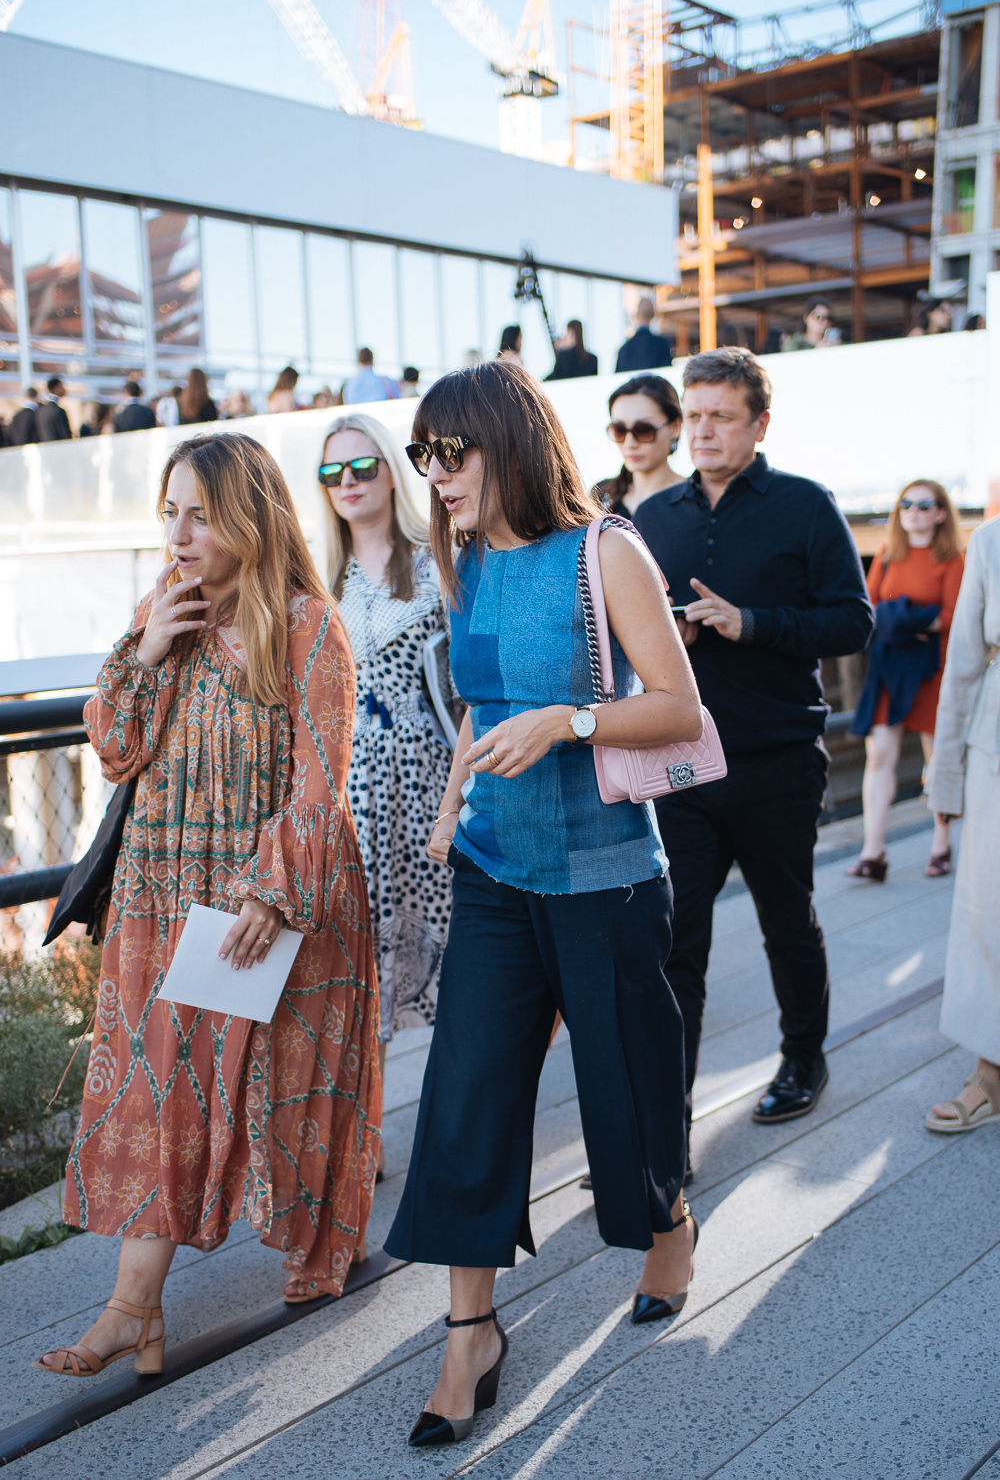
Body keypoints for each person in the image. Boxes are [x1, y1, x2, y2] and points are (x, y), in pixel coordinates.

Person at [383, 362, 702, 1448]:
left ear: (506, 441)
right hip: (489, 868)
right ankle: (468, 1331)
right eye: (422, 456)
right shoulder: (462, 561)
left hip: (603, 873)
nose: (433, 475)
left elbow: (674, 706)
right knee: (466, 1096)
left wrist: (568, 722)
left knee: (625, 1094)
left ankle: (666, 1220)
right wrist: (447, 800)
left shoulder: (604, 550)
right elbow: (478, 700)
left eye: (447, 452)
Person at [36, 431, 380, 1378]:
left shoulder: (309, 626)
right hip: (158, 898)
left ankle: (322, 1249)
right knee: (157, 1095)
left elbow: (322, 782)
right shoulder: (165, 611)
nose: (179, 534)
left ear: (250, 516)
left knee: (281, 1090)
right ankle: (128, 1312)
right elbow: (113, 747)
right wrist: (147, 649)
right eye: (170, 513)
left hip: (266, 898)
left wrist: (272, 890)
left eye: (200, 513)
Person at [632, 348, 873, 1151]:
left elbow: (852, 621)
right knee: (678, 946)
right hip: (681, 765)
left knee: (787, 923)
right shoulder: (653, 518)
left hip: (776, 760)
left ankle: (804, 1060)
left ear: (758, 424)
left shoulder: (807, 505)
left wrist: (751, 622)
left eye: (719, 416)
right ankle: (669, 1119)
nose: (701, 430)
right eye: (692, 415)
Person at [318, 412, 453, 1173]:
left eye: (362, 467)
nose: (349, 484)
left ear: (389, 472)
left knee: (448, 944)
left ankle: (460, 1126)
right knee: (359, 959)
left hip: (432, 773)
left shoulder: (436, 561)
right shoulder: (317, 578)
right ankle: (362, 1137)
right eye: (332, 473)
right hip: (351, 791)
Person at [923, 515, 1000, 1134]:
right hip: (995, 747)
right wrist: (945, 776)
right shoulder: (992, 541)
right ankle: (990, 1072)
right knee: (988, 908)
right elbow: (965, 665)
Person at [848, 481, 965, 882]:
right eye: (906, 504)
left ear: (940, 513)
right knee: (879, 754)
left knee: (938, 761)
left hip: (932, 670)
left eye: (923, 504)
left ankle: (941, 844)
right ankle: (873, 851)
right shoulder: (887, 554)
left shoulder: (952, 560)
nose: (913, 510)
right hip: (890, 666)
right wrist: (911, 621)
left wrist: (901, 620)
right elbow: (869, 606)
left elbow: (952, 615)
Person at [592, 374, 684, 517]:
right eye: (619, 430)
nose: (629, 444)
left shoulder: (694, 500)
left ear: (675, 427)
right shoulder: (600, 496)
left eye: (643, 430)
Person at [615, 297, 673, 373]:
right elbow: (667, 373)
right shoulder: (662, 344)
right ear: (653, 314)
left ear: (636, 315)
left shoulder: (624, 349)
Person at [36, 376, 73, 442]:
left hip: (45, 449)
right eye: (61, 387)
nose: (64, 390)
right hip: (59, 449)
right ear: (55, 388)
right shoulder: (58, 411)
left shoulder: (40, 411)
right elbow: (66, 436)